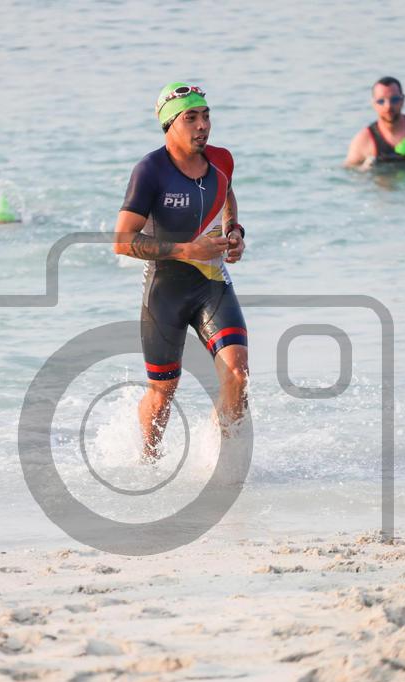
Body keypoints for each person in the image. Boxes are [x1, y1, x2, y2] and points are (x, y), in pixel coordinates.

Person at [113, 82, 248, 459]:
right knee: (163, 392)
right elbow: (122, 240)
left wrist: (234, 230)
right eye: (191, 118)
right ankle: (147, 461)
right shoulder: (150, 170)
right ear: (169, 124)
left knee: (238, 375)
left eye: (206, 116)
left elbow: (227, 193)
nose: (202, 125)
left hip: (212, 285)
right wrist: (188, 249)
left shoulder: (222, 159)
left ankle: (225, 462)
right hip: (165, 291)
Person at [345, 77, 405, 168]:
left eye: (394, 99)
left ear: (402, 100)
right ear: (374, 104)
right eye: (381, 101)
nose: (388, 106)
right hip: (382, 177)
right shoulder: (363, 141)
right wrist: (363, 171)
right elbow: (349, 172)